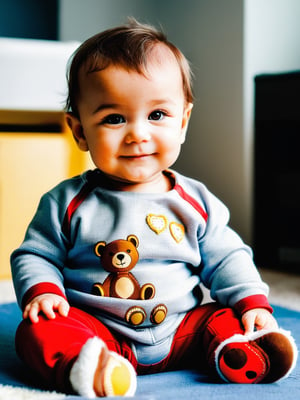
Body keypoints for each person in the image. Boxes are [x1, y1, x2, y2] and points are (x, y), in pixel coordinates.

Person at [11, 19, 297, 398]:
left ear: (183, 121)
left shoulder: (195, 201)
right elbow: (34, 255)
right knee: (37, 331)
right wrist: (44, 292)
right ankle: (91, 365)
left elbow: (227, 257)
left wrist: (252, 302)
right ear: (79, 131)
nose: (138, 134)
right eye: (114, 118)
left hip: (183, 330)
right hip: (99, 329)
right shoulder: (66, 203)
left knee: (222, 318)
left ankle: (239, 350)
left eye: (157, 115)